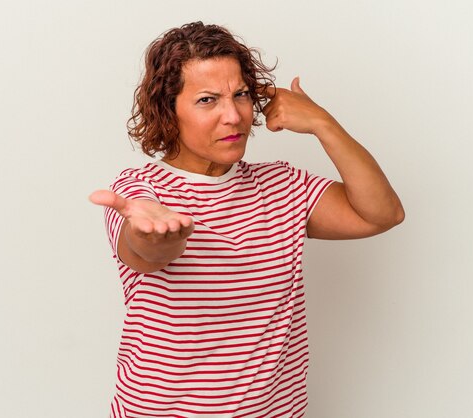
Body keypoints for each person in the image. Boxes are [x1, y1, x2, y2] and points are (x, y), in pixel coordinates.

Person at [90, 21, 404, 418]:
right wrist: (157, 232)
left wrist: (324, 123)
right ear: (168, 111)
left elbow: (383, 213)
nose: (233, 116)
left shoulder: (281, 185)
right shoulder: (141, 191)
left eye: (239, 95)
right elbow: (146, 252)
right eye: (207, 100)